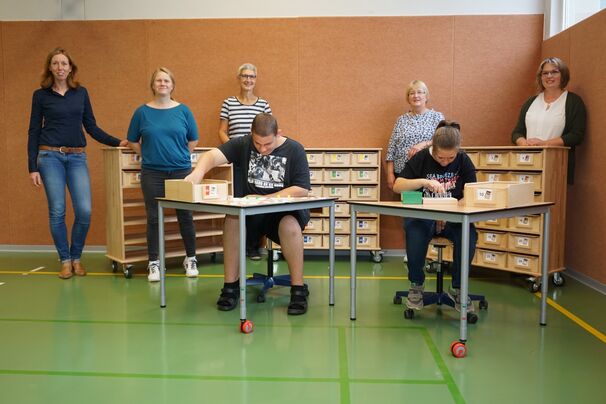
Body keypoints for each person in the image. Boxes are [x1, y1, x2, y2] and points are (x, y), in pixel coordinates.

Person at [185, 113, 311, 315]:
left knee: (290, 226)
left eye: (267, 144)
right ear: (251, 134)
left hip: (281, 212)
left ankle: (298, 289)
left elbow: (301, 189)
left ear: (278, 133)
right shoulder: (243, 144)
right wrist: (197, 173)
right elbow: (211, 156)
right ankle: (230, 287)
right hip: (250, 213)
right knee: (232, 219)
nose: (262, 149)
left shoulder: (294, 149)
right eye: (257, 143)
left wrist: (267, 198)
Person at [27, 47, 128, 279]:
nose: (60, 67)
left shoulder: (80, 93)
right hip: (49, 157)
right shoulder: (40, 96)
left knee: (84, 210)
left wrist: (117, 142)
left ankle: (76, 257)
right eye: (55, 63)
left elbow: (91, 126)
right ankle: (65, 260)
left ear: (70, 68)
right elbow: (33, 131)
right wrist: (32, 166)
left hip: (76, 157)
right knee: (58, 211)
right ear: (50, 68)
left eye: (64, 63)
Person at [392, 120, 478, 313]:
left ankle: (458, 288)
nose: (445, 162)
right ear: (433, 146)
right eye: (441, 158)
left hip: (454, 217)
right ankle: (416, 285)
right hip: (424, 216)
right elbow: (398, 185)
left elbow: (471, 192)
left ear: (458, 150)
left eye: (450, 158)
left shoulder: (464, 160)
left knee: (469, 235)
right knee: (414, 231)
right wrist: (423, 181)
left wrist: (449, 212)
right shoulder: (422, 158)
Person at [127, 67, 199, 282]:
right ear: (153, 85)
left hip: (181, 171)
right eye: (158, 80)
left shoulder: (184, 111)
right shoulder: (142, 112)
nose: (162, 84)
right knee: (153, 217)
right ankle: (154, 263)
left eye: (166, 80)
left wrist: (179, 156)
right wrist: (148, 155)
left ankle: (191, 258)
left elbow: (193, 140)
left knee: (185, 216)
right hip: (153, 173)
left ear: (172, 85)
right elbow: (132, 140)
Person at [219, 63, 273, 261]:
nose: (248, 80)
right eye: (244, 76)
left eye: (252, 76)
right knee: (238, 203)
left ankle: (252, 247)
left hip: (259, 162)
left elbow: (270, 131)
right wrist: (234, 149)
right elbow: (222, 131)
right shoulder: (228, 103)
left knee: (256, 202)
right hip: (238, 161)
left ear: (255, 79)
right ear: (239, 78)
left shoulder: (263, 104)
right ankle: (237, 247)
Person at [511, 57, 586, 184]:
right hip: (526, 164)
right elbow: (516, 133)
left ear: (563, 75)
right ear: (540, 77)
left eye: (554, 72)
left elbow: (576, 136)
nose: (549, 76)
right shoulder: (530, 102)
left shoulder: (573, 102)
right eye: (545, 73)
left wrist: (544, 143)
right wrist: (524, 143)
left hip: (555, 167)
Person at [385, 80, 444, 192]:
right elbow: (391, 148)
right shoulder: (401, 120)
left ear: (426, 96)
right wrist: (390, 173)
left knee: (426, 205)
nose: (415, 96)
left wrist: (423, 144)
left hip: (428, 171)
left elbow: (443, 140)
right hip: (403, 173)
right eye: (412, 93)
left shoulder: (437, 117)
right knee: (406, 206)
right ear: (408, 98)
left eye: (419, 92)